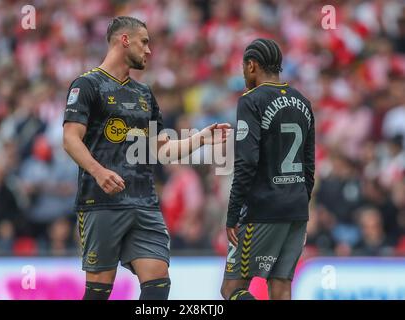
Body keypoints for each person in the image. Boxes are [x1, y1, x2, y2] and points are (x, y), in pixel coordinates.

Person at [62, 16, 230, 300]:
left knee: (158, 282)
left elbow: (161, 151)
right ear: (124, 40)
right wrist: (99, 171)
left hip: (145, 203)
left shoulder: (144, 94)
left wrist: (200, 138)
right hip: (101, 202)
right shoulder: (87, 85)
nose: (149, 50)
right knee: (99, 291)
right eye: (144, 42)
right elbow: (69, 139)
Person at [220, 39, 315, 300]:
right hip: (296, 209)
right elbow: (309, 166)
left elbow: (246, 162)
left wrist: (232, 214)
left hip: (263, 209)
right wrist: (299, 203)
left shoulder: (251, 100)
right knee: (281, 288)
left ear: (251, 65)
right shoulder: (303, 101)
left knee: (232, 289)